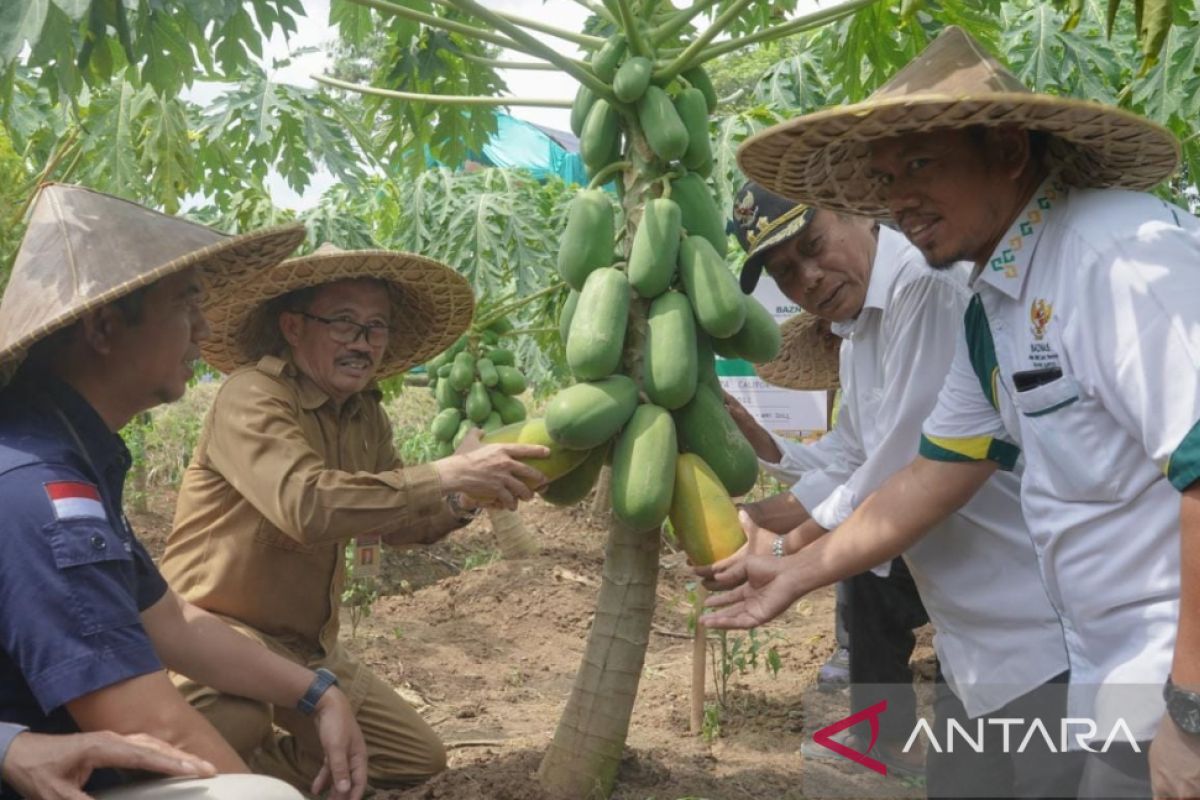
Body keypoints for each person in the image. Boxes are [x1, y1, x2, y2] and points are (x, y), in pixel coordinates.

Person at [705, 25, 1200, 798]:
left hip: (1169, 674)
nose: (900, 198)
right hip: (1103, 677)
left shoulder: (1118, 259)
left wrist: (1190, 709)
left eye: (921, 164)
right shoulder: (993, 305)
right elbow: (933, 473)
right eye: (885, 177)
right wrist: (791, 575)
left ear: (1007, 150)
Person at [0, 184, 365, 800]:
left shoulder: (63, 453)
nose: (205, 326)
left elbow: (175, 624)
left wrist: (316, 691)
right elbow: (146, 720)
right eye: (185, 303)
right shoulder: (41, 491)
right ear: (105, 326)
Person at [157, 243, 550, 792]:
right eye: (343, 323)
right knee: (234, 721)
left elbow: (396, 523)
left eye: (376, 327)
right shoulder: (253, 395)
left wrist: (468, 496)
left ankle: (253, 776)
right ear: (293, 327)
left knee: (413, 757)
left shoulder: (366, 414)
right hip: (214, 634)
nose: (362, 342)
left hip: (306, 648)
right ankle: (212, 770)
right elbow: (306, 505)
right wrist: (445, 474)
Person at [720, 182, 1071, 792]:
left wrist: (783, 547)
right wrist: (761, 454)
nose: (807, 277)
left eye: (813, 245)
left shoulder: (924, 290)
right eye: (784, 271)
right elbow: (851, 453)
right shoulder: (859, 330)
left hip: (1040, 631)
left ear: (854, 210)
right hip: (972, 643)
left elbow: (897, 468)